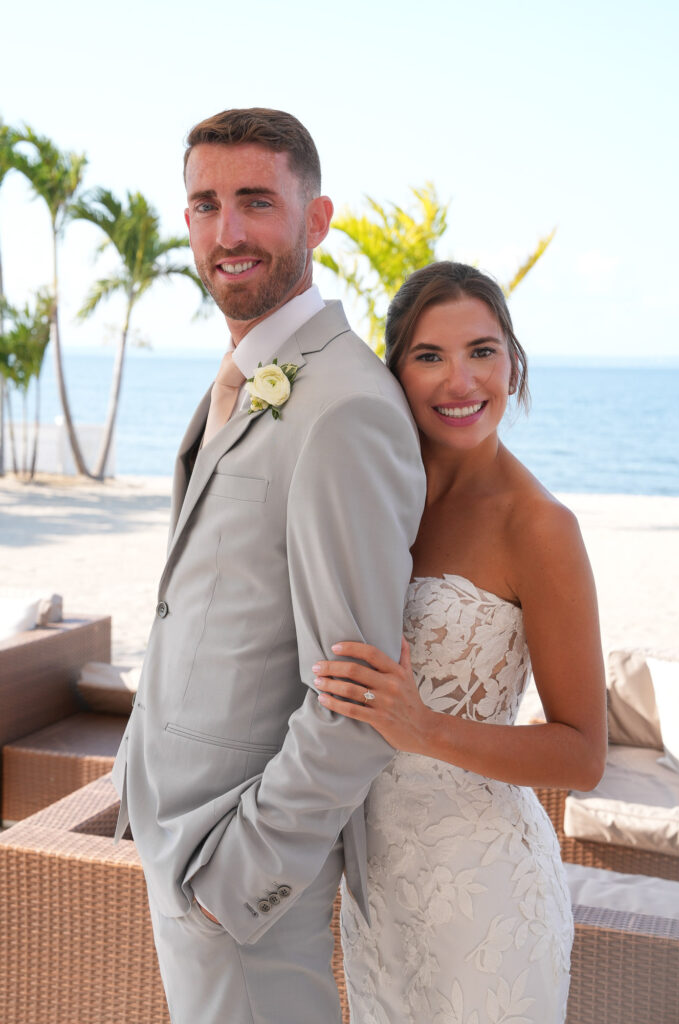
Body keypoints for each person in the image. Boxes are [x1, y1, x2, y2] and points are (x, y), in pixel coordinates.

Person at [110, 108, 426, 1023]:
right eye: (205, 205)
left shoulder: (343, 407)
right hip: (181, 839)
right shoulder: (252, 375)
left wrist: (241, 875)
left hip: (236, 873)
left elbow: (358, 697)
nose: (228, 232)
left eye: (256, 202)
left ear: (316, 219)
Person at [313, 262, 607, 1023]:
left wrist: (423, 727)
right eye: (429, 355)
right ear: (395, 373)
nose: (459, 381)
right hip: (377, 889)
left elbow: (582, 754)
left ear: (513, 361)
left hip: (487, 899)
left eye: (481, 350)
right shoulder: (375, 495)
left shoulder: (539, 527)